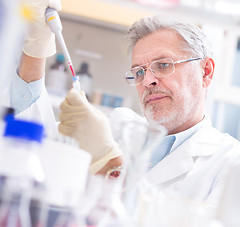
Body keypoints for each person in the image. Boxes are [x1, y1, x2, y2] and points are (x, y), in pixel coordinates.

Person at [10, 1, 240, 213]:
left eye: (163, 65)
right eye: (139, 71)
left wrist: (111, 163)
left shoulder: (230, 163)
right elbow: (35, 149)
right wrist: (36, 47)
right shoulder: (118, 127)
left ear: (206, 72)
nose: (148, 80)